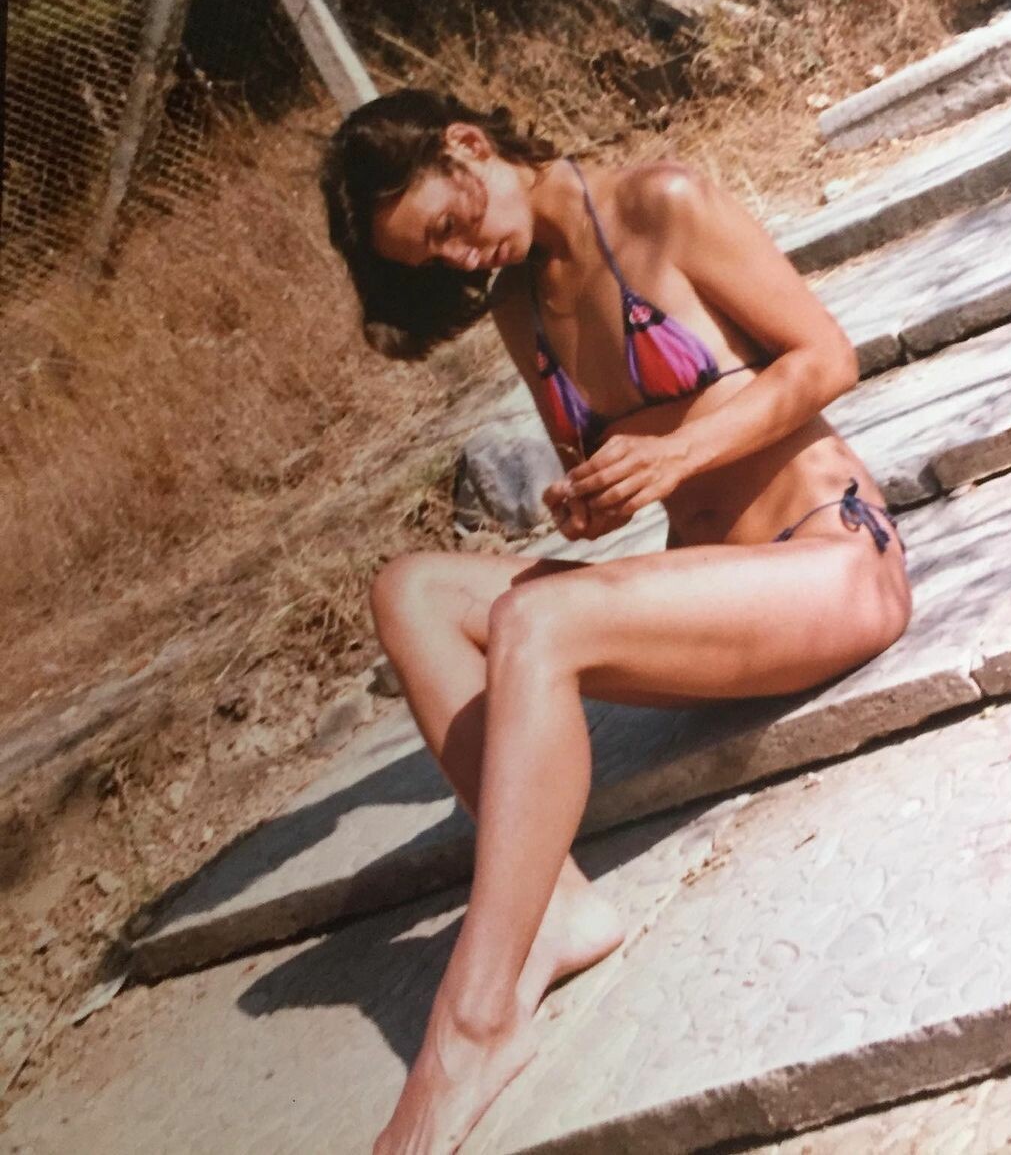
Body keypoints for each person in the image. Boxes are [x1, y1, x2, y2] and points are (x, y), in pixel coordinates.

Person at [319, 88, 913, 1154]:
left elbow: (827, 357)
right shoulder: (516, 305)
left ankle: (474, 1019)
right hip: (714, 606)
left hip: (829, 563)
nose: (458, 258)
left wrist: (676, 454)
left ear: (468, 147)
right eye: (431, 256)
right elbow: (616, 473)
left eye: (449, 224)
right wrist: (589, 501)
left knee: (538, 620)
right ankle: (553, 903)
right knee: (409, 590)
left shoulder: (662, 202)